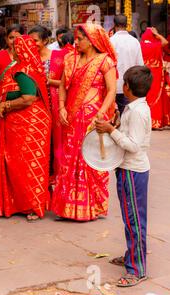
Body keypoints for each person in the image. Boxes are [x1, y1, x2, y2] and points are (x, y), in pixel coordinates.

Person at [51, 23, 117, 222]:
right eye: (76, 39)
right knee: (69, 158)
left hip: (93, 118)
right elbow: (63, 85)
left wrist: (101, 113)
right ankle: (67, 207)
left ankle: (93, 206)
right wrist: (61, 107)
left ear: (92, 40)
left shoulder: (104, 61)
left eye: (80, 39)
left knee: (91, 160)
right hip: (71, 116)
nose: (76, 42)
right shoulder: (71, 59)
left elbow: (111, 90)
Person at [95, 66, 152, 287]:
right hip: (129, 169)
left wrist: (111, 130)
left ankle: (136, 270)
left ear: (127, 87)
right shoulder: (134, 107)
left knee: (134, 221)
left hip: (133, 170)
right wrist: (117, 124)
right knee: (132, 219)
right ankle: (132, 256)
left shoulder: (137, 111)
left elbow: (133, 145)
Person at [0, 35, 52, 222]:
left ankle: (32, 205)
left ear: (20, 50)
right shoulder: (33, 67)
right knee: (24, 165)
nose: (14, 51)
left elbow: (28, 98)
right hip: (31, 121)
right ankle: (22, 203)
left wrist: (5, 105)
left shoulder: (23, 70)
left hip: (28, 123)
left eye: (16, 48)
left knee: (25, 165)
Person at [49, 32, 74, 174]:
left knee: (58, 137)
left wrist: (51, 82)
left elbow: (50, 79)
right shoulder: (79, 56)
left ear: (61, 42)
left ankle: (58, 170)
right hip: (76, 99)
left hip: (58, 99)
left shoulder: (56, 55)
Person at [110, 15, 144, 115]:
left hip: (114, 85)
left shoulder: (110, 41)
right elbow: (140, 65)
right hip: (130, 85)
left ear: (114, 25)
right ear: (127, 25)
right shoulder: (135, 42)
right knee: (128, 116)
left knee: (115, 117)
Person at [140, 27, 169, 129]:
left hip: (144, 75)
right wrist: (157, 34)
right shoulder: (155, 45)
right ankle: (156, 123)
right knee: (156, 98)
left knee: (145, 98)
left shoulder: (140, 45)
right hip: (156, 76)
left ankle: (145, 123)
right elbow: (165, 42)